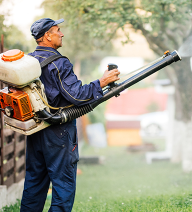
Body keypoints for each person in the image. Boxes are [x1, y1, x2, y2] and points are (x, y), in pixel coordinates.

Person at [21, 18, 120, 212]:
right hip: (59, 132)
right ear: (47, 36)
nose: (62, 33)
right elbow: (77, 96)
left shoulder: (28, 62)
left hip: (36, 130)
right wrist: (101, 82)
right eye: (58, 30)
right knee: (63, 187)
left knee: (34, 184)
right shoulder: (59, 62)